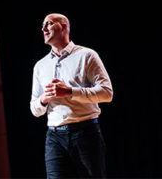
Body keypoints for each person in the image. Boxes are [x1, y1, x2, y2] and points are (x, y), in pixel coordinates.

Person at [30, 13, 113, 178]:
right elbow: (35, 109)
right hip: (54, 136)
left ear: (63, 26)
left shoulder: (87, 55)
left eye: (49, 24)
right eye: (43, 25)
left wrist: (69, 92)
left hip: (85, 132)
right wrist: (44, 99)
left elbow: (106, 93)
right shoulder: (40, 66)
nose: (43, 28)